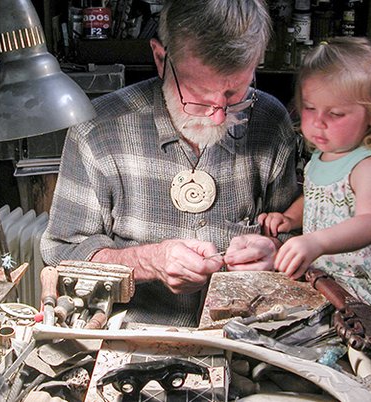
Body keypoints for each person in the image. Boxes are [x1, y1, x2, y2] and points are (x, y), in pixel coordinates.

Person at [41, 0, 300, 327]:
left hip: (246, 338)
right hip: (131, 339)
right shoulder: (97, 132)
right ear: (161, 59)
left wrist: (275, 252)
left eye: (235, 94)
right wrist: (147, 262)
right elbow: (62, 258)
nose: (218, 115)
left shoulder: (271, 121)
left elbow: (296, 235)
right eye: (199, 97)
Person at [258, 37, 371, 322]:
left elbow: (370, 222)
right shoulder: (324, 153)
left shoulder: (368, 165)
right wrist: (290, 219)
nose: (318, 122)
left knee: (367, 349)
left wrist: (316, 242)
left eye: (336, 114)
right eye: (310, 108)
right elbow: (318, 195)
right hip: (333, 280)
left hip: (368, 288)